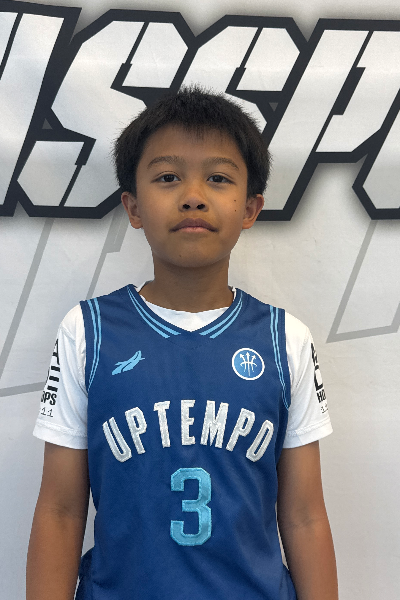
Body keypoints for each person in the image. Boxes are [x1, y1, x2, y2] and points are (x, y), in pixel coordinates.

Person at [27, 87, 338, 600]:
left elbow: (304, 516)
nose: (193, 195)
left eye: (218, 178)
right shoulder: (88, 331)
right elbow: (60, 510)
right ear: (133, 206)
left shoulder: (286, 340)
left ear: (250, 208)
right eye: (168, 177)